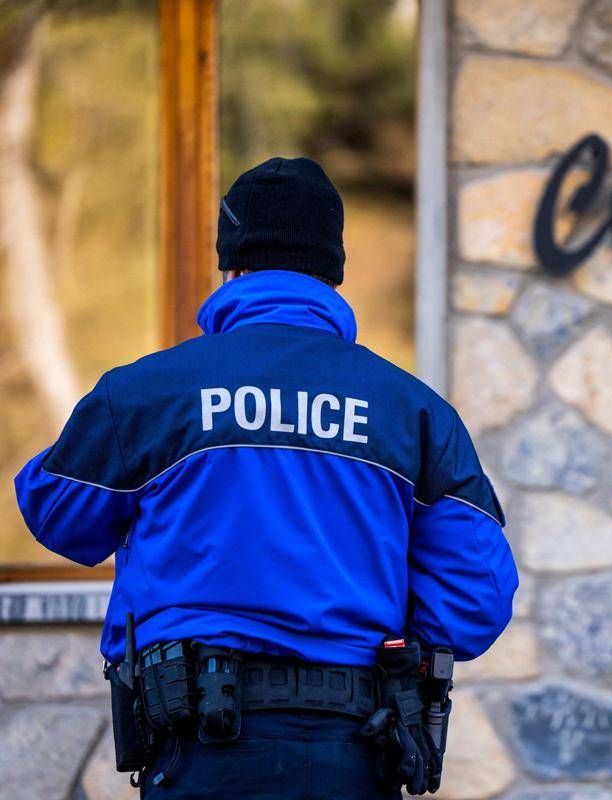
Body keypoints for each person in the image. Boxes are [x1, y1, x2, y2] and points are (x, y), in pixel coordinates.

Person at [13, 157, 518, 799]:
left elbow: (57, 513)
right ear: (332, 272)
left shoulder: (147, 393)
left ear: (233, 267)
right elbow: (475, 600)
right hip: (359, 750)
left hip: (204, 751)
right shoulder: (416, 412)